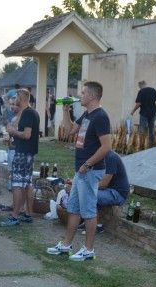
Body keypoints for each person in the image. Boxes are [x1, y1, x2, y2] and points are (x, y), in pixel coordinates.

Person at [48, 81, 111, 261]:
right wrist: (65, 111)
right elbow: (69, 131)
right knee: (74, 209)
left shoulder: (100, 117)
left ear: (92, 96)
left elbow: (106, 147)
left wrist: (88, 164)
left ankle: (89, 250)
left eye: (83, 93)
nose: (80, 96)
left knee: (89, 211)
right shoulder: (86, 114)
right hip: (81, 171)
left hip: (90, 170)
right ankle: (66, 245)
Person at [1, 89, 40, 226]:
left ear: (21, 98)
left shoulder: (28, 113)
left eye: (15, 97)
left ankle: (15, 216)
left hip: (23, 153)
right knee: (26, 183)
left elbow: (27, 135)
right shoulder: (28, 112)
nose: (14, 99)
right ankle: (28, 214)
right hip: (27, 153)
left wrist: (13, 131)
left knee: (17, 184)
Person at [79, 150, 130, 234]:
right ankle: (87, 222)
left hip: (118, 194)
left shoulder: (110, 158)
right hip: (107, 190)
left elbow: (103, 184)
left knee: (88, 194)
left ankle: (97, 226)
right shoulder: (98, 157)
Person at [130, 80, 156, 145]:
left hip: (144, 113)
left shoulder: (141, 91)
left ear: (141, 85)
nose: (139, 87)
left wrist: (133, 111)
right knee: (151, 129)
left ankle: (142, 144)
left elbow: (138, 103)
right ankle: (152, 144)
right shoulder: (153, 90)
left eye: (139, 86)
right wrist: (155, 108)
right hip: (152, 113)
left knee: (142, 129)